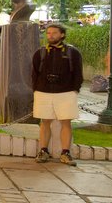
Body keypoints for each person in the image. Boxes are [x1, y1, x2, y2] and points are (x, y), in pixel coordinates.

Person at [32, 23, 84, 166]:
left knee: (66, 122)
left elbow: (78, 73)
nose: (51, 36)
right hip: (44, 91)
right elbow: (34, 73)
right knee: (45, 122)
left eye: (54, 33)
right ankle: (43, 151)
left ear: (62, 34)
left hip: (66, 92)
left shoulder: (72, 53)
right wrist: (36, 88)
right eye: (48, 33)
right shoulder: (41, 52)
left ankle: (65, 152)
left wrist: (75, 89)